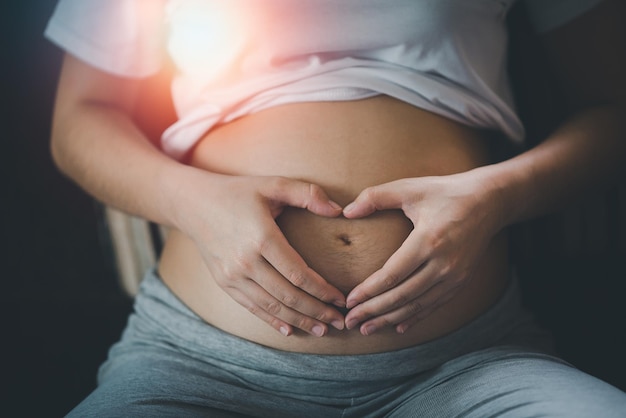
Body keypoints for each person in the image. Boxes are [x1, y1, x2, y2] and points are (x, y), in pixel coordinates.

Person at [46, 0, 626, 416]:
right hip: (198, 372)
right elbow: (80, 118)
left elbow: (613, 109)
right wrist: (194, 202)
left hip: (470, 365)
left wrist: (495, 199)